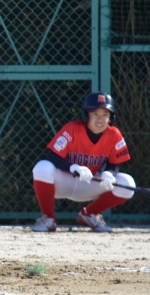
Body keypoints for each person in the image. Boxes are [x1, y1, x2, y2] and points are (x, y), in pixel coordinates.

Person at [31, 91, 135, 233]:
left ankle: (89, 214)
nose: (100, 119)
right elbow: (52, 156)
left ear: (111, 117)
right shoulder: (72, 129)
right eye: (95, 114)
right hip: (64, 181)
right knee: (42, 167)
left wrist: (109, 173)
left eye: (105, 114)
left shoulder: (114, 134)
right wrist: (73, 167)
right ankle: (49, 219)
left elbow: (114, 163)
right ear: (86, 115)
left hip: (89, 182)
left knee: (128, 183)